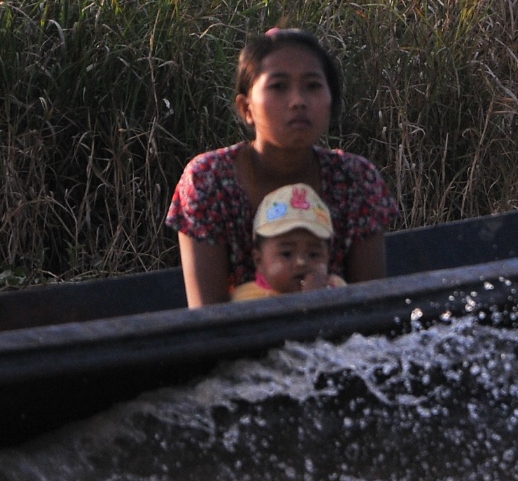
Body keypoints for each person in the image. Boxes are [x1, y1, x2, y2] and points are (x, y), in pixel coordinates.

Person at [167, 28, 397, 306]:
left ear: (331, 101)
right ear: (246, 108)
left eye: (312, 85)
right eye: (278, 86)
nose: (298, 101)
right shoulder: (208, 180)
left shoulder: (356, 179)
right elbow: (208, 319)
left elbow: (372, 309)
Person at [229, 183, 347, 301]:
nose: (301, 262)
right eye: (286, 253)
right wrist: (310, 301)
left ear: (328, 257)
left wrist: (324, 297)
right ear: (259, 261)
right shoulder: (248, 299)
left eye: (313, 254)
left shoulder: (336, 289)